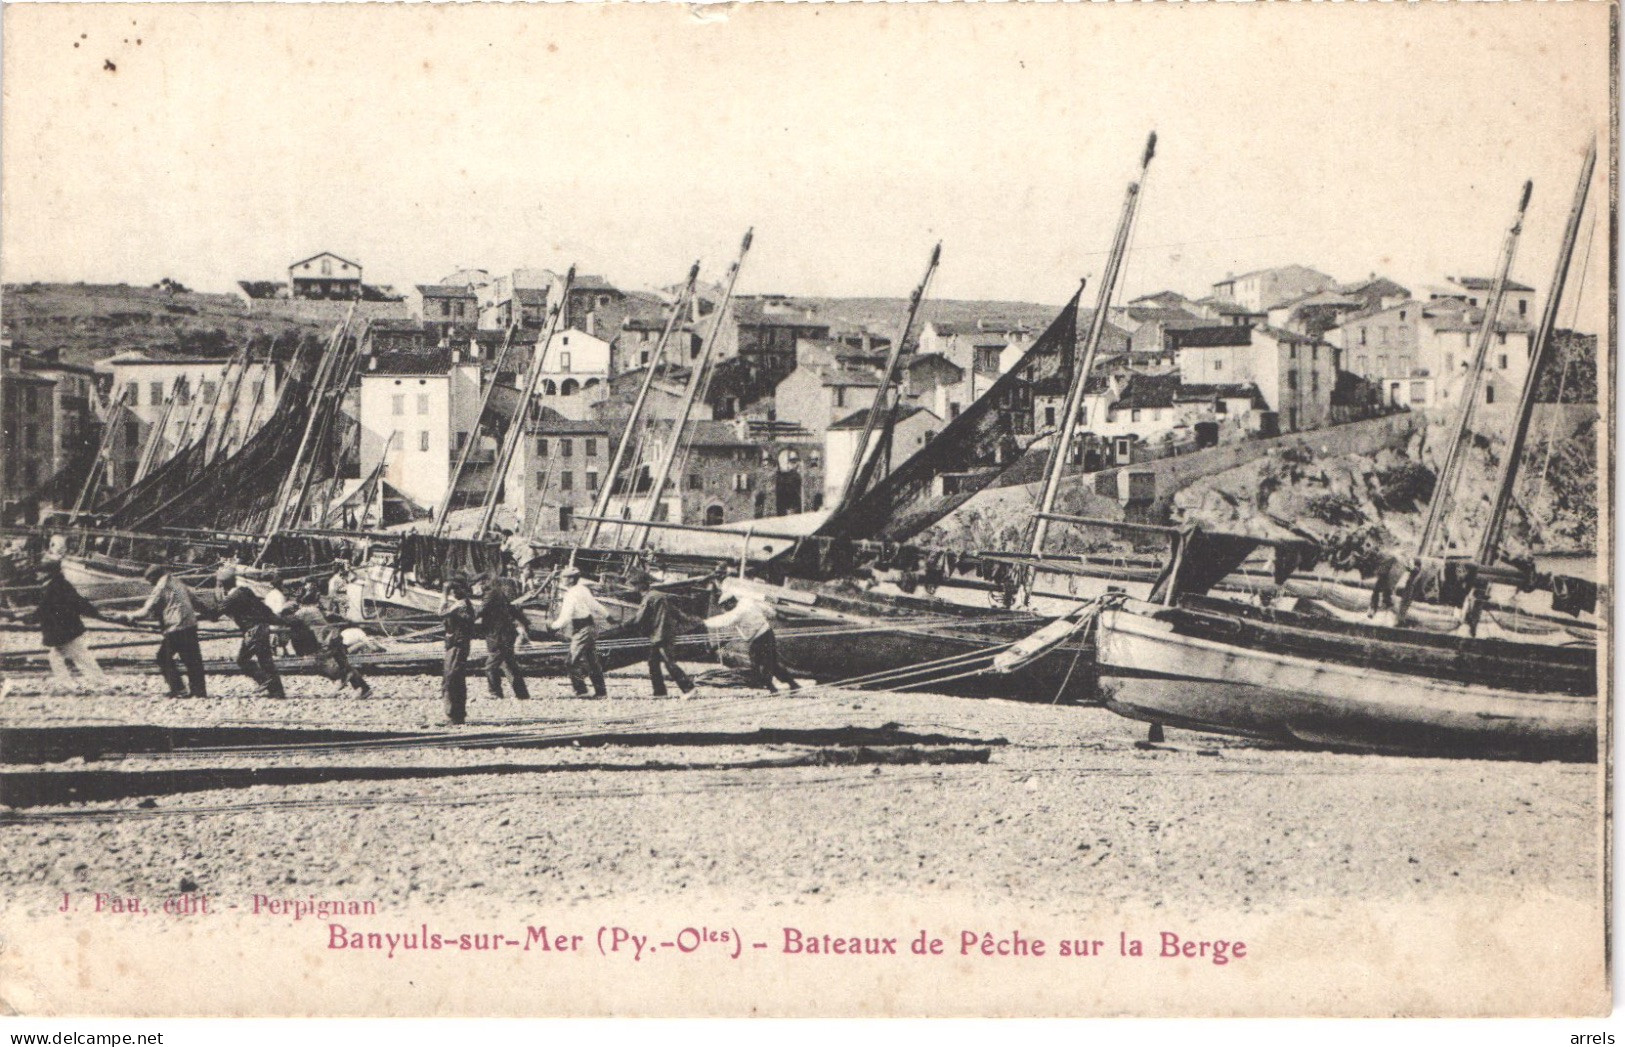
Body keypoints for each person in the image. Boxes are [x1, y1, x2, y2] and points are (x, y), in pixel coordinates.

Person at [114, 564, 207, 699]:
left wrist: (128, 616)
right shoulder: (177, 582)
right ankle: (199, 691)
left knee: (163, 658)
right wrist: (210, 612)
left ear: (154, 577)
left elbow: (146, 610)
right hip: (190, 624)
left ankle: (178, 688)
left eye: (150, 580)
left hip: (176, 627)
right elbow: (195, 601)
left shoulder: (161, 587)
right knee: (193, 660)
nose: (150, 584)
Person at [704, 578, 798, 694]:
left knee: (760, 664)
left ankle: (773, 688)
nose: (724, 609)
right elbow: (766, 609)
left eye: (725, 606)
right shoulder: (747, 601)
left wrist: (704, 622)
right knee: (769, 663)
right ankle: (789, 685)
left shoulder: (738, 612)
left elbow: (725, 620)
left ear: (730, 602)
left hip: (760, 637)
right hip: (766, 634)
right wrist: (776, 615)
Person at [206, 565, 286, 698]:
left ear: (222, 584)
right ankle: (277, 692)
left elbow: (214, 614)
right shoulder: (246, 591)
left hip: (253, 631)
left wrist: (201, 609)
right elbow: (263, 608)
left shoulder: (232, 598)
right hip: (262, 628)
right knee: (266, 661)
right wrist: (277, 620)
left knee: (243, 660)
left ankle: (265, 681)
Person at [32, 557, 109, 690]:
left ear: (48, 573)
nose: (37, 574)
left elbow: (44, 609)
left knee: (79, 656)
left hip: (63, 630)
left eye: (40, 571)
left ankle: (98, 682)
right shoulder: (60, 584)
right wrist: (95, 613)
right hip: (64, 629)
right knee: (60, 656)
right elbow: (79, 602)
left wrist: (25, 617)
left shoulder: (54, 587)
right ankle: (70, 683)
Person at [284, 585, 372, 699]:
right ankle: (363, 688)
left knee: (318, 663)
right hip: (335, 639)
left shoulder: (303, 612)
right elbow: (338, 618)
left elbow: (287, 620)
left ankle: (340, 678)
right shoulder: (319, 609)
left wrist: (284, 611)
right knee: (343, 664)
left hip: (326, 642)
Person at [631, 572, 694, 698]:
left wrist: (623, 626)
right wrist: (690, 620)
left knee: (668, 662)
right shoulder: (661, 596)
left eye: (635, 584)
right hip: (665, 634)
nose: (634, 587)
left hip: (660, 635)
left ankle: (689, 689)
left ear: (642, 585)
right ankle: (659, 692)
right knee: (653, 662)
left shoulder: (649, 598)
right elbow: (677, 613)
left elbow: (639, 618)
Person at [550, 565, 608, 698]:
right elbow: (595, 605)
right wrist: (608, 616)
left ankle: (581, 690)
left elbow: (566, 616)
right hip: (590, 627)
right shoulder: (583, 589)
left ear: (571, 579)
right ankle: (601, 692)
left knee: (571, 662)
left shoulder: (571, 594)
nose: (562, 579)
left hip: (581, 629)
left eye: (564, 577)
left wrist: (553, 626)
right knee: (592, 661)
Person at [477, 573, 531, 701]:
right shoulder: (498, 594)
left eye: (475, 585)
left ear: (482, 583)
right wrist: (525, 622)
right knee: (508, 664)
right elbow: (513, 610)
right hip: (505, 633)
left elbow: (479, 612)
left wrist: (463, 619)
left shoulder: (490, 594)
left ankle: (495, 692)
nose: (473, 589)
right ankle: (522, 693)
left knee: (490, 665)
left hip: (498, 635)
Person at [440, 578, 478, 725]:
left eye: (456, 589)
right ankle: (457, 714)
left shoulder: (461, 605)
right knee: (456, 678)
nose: (454, 592)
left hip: (457, 645)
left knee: (451, 678)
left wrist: (444, 594)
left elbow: (441, 613)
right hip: (457, 644)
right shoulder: (462, 605)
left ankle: (452, 715)